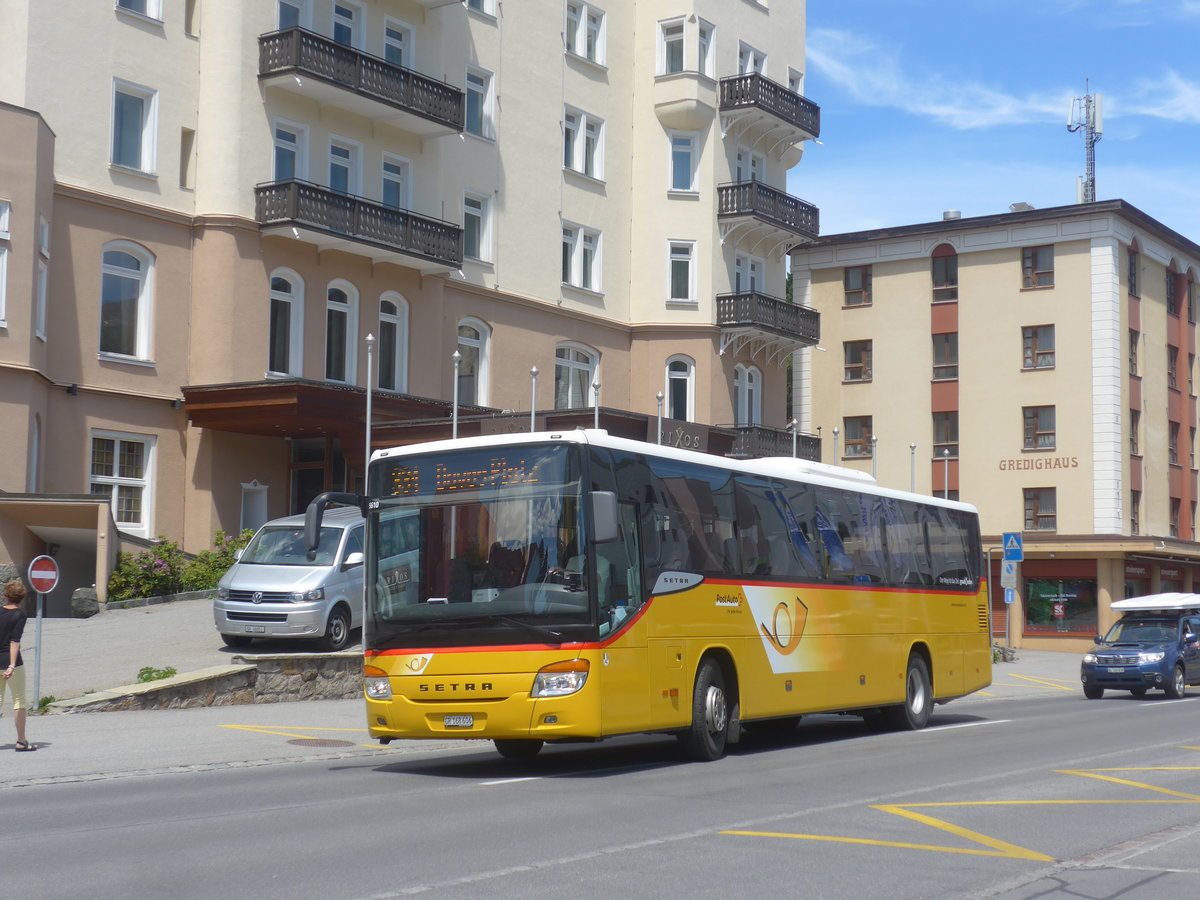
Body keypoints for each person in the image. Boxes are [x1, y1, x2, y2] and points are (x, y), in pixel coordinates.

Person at [1, 579, 36, 751]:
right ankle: (21, 741)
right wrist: (12, 665)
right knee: (18, 700)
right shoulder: (20, 615)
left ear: (6, 595)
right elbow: (15, 641)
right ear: (21, 598)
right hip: (12, 662)